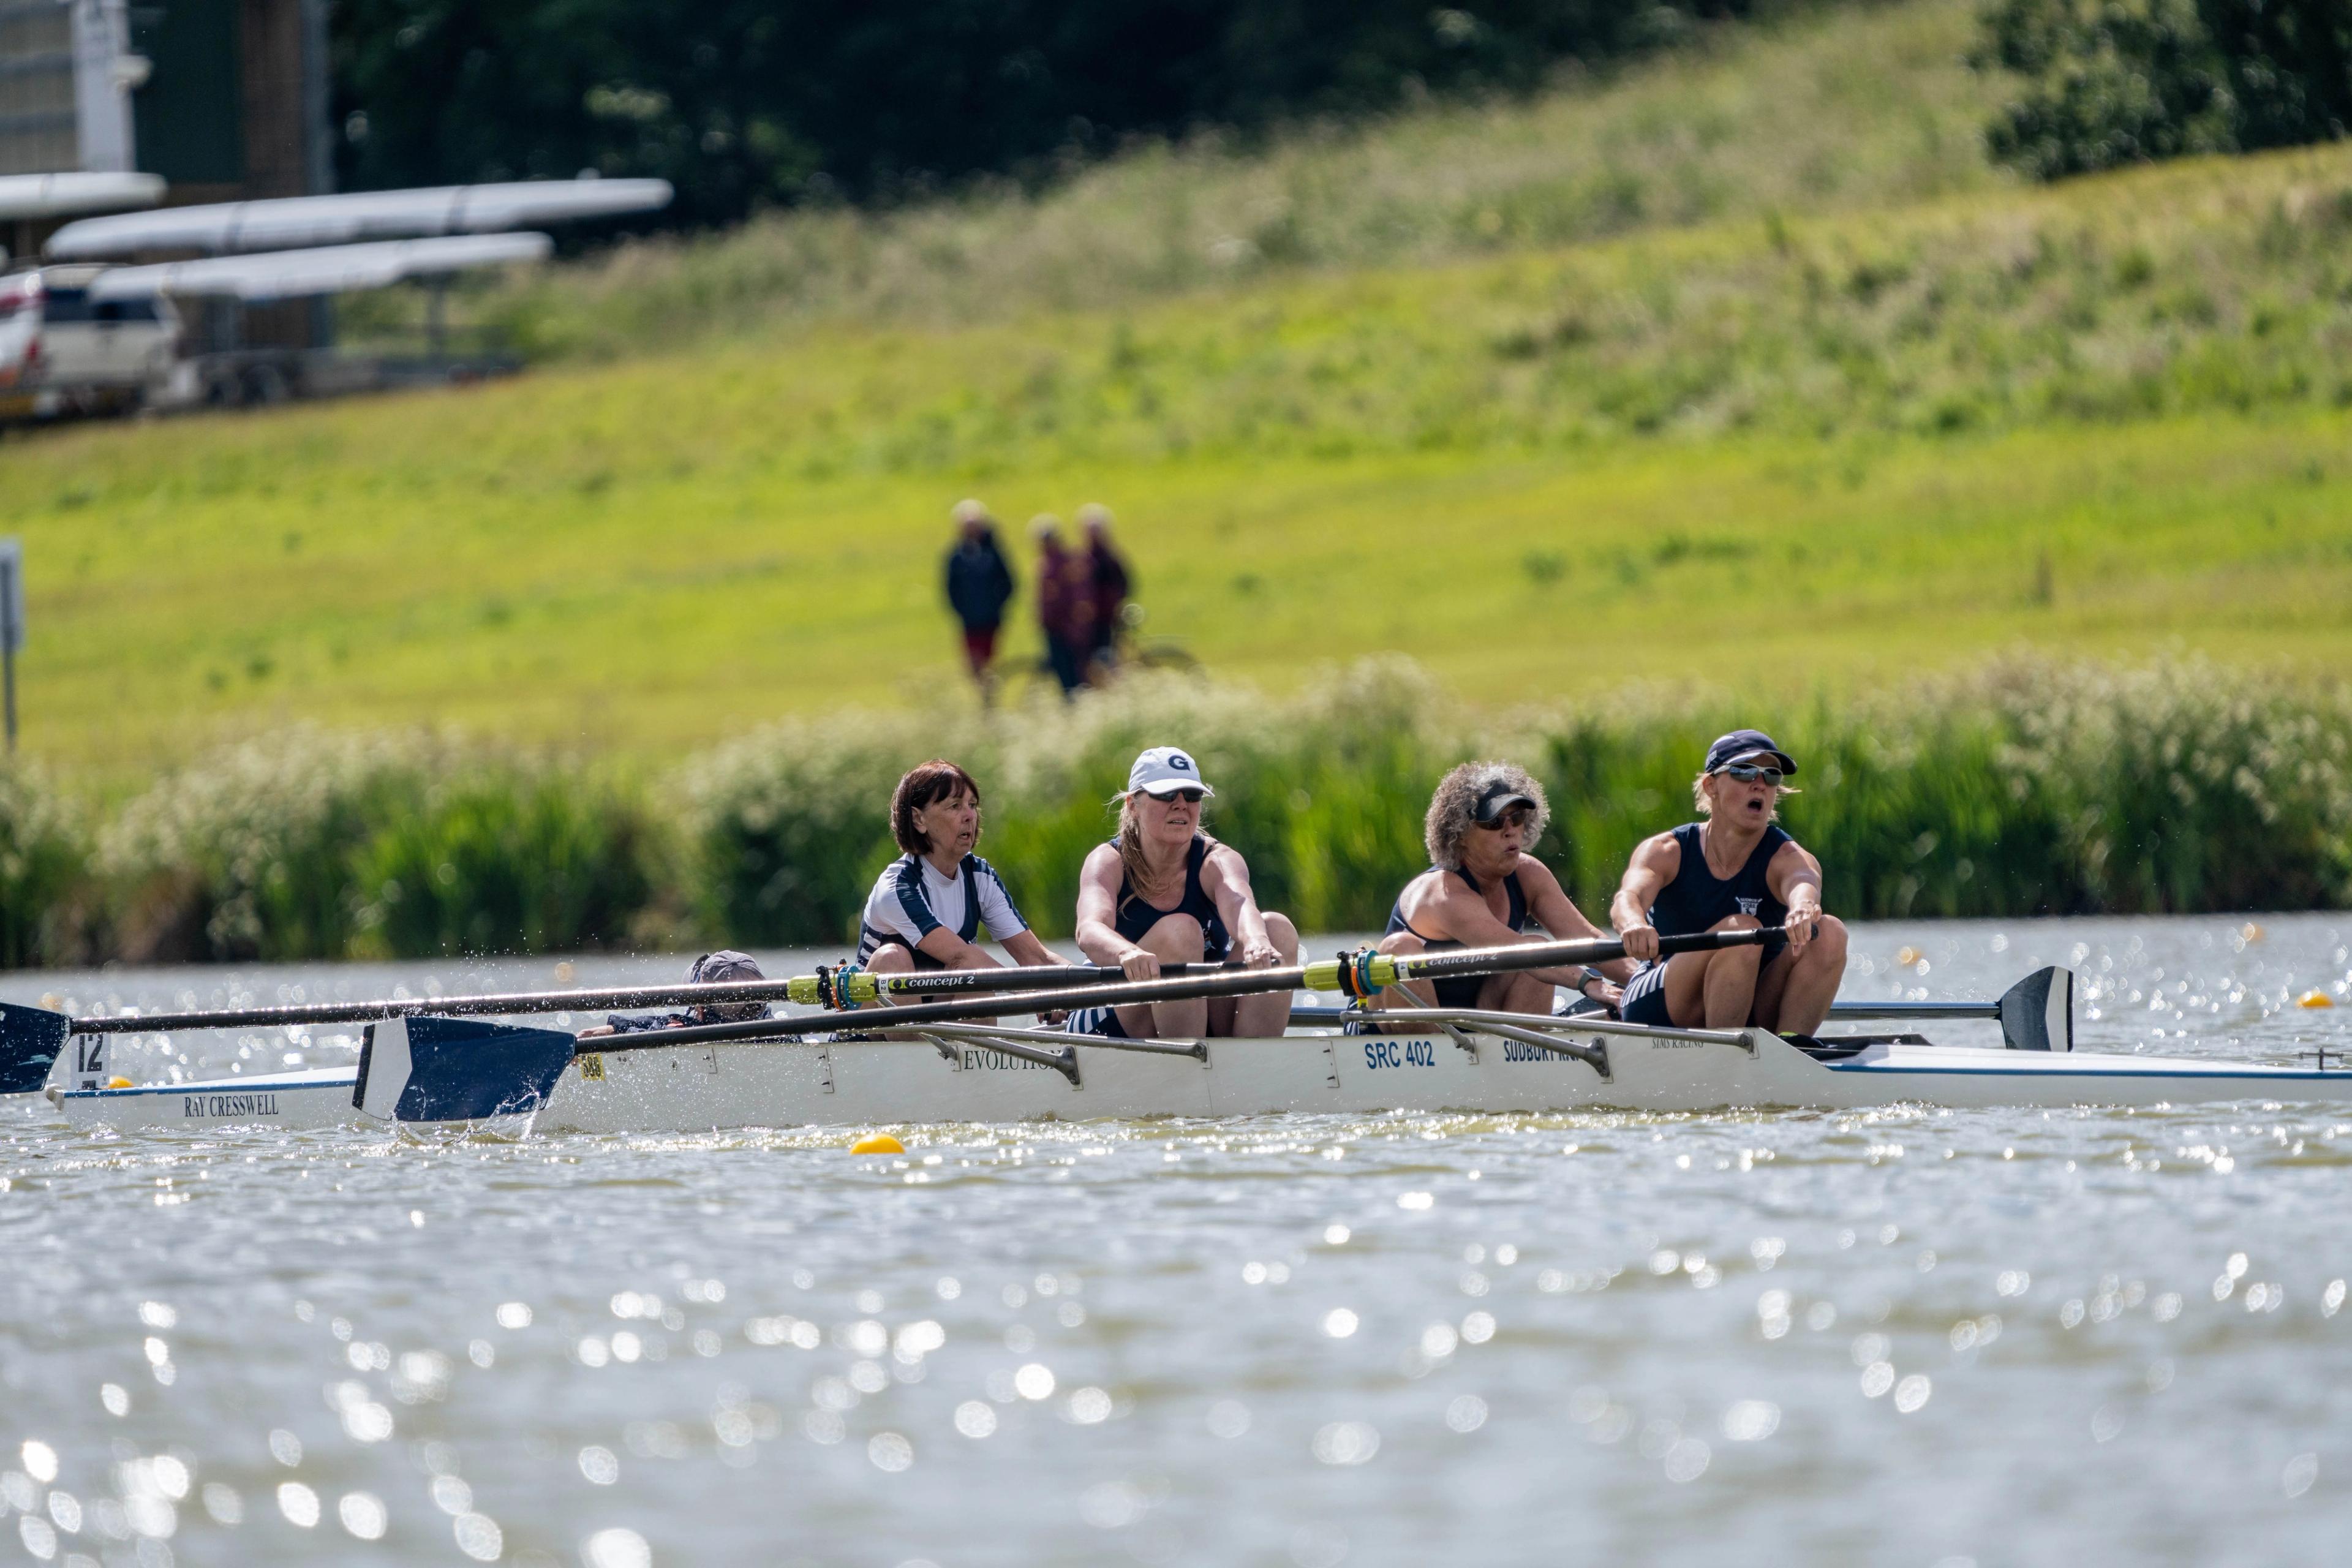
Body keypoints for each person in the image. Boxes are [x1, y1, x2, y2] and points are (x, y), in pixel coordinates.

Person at [1608, 729, 1849, 1037]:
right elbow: (1627, 898)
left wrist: (1803, 907)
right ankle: (1730, 1063)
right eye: (1744, 771)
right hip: (1661, 1001)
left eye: (1771, 775)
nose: (1760, 784)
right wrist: (1633, 925)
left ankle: (1792, 1049)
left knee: (1829, 932)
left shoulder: (1788, 857)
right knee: (1741, 932)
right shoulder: (1666, 851)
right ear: (1711, 786)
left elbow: (1803, 882)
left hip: (1752, 1003)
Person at [1069, 746, 1299, 1041]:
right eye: (1166, 795)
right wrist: (1128, 952)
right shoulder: (1109, 861)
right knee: (1181, 931)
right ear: (1132, 805)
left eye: (1192, 796)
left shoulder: (1217, 860)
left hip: (1193, 1012)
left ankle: (1252, 1070)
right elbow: (1089, 929)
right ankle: (1190, 1072)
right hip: (1112, 1016)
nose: (1181, 805)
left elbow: (1240, 905)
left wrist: (1256, 942)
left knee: (1276, 929)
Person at [1368, 762, 1626, 1022]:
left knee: (1534, 964)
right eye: (1494, 822)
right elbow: (1516, 947)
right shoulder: (1443, 893)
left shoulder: (1528, 874)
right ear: (1459, 834)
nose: (1510, 830)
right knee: (1400, 947)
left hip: (1481, 1028)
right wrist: (1591, 983)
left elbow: (1586, 940)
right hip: (1408, 1035)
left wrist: (1648, 981)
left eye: (1517, 818)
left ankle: (1522, 1052)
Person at [856, 759, 1072, 979]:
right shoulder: (897, 887)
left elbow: (1038, 958)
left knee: (971, 975)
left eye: (972, 805)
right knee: (895, 957)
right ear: (919, 819)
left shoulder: (980, 877)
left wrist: (1089, 980)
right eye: (955, 806)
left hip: (939, 1005)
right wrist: (1034, 991)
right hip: (874, 1007)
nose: (970, 816)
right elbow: (961, 957)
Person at [577, 950, 771, 1038]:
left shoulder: (680, 1032)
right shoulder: (784, 1033)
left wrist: (594, 1035)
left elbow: (648, 1028)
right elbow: (651, 1022)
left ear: (699, 1006)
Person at [943, 500, 1016, 703]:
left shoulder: (993, 551)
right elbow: (950, 588)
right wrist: (961, 610)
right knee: (974, 665)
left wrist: (997, 605)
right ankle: (984, 699)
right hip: (969, 620)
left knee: (990, 663)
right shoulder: (957, 555)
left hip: (991, 618)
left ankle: (990, 700)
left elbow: (1009, 582)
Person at [1031, 516, 1095, 699]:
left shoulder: (1067, 562)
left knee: (1073, 675)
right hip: (1054, 626)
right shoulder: (1046, 563)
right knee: (1065, 673)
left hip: (1068, 627)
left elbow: (1076, 594)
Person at [1076, 503, 1130, 680]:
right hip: (1088, 620)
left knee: (1107, 658)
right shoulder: (1084, 557)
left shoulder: (1109, 559)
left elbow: (1123, 585)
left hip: (1106, 618)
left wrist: (1114, 605)